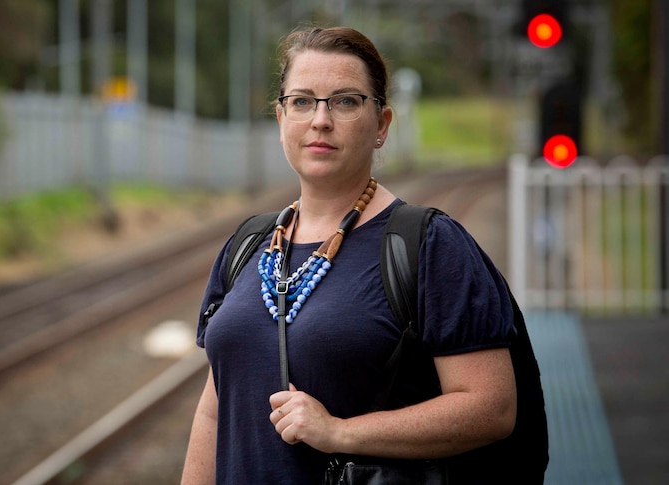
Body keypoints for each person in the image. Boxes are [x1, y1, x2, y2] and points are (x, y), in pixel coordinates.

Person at [181, 26, 518, 484]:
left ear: (381, 125)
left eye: (345, 101)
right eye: (302, 101)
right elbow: (214, 416)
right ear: (281, 119)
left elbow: (491, 407)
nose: (320, 120)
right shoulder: (248, 243)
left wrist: (340, 432)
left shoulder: (430, 244)